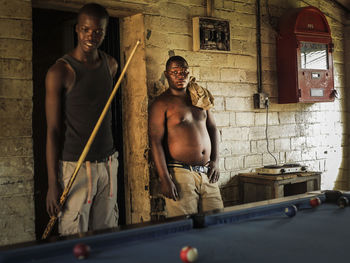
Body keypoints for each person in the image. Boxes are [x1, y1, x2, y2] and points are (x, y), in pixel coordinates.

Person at [45, 3, 119, 236]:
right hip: (75, 166)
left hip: (108, 164)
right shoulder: (60, 72)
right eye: (86, 29)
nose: (91, 36)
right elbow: (53, 131)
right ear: (77, 29)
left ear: (105, 32)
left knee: (107, 234)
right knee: (74, 237)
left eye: (98, 31)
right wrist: (52, 182)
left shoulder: (111, 65)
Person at [148, 56, 224, 217]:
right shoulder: (161, 103)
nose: (180, 76)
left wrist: (216, 161)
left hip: (207, 173)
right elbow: (155, 142)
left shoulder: (199, 97)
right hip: (180, 174)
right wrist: (164, 178)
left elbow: (212, 128)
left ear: (189, 73)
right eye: (174, 72)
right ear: (166, 74)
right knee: (184, 226)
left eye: (184, 72)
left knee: (218, 222)